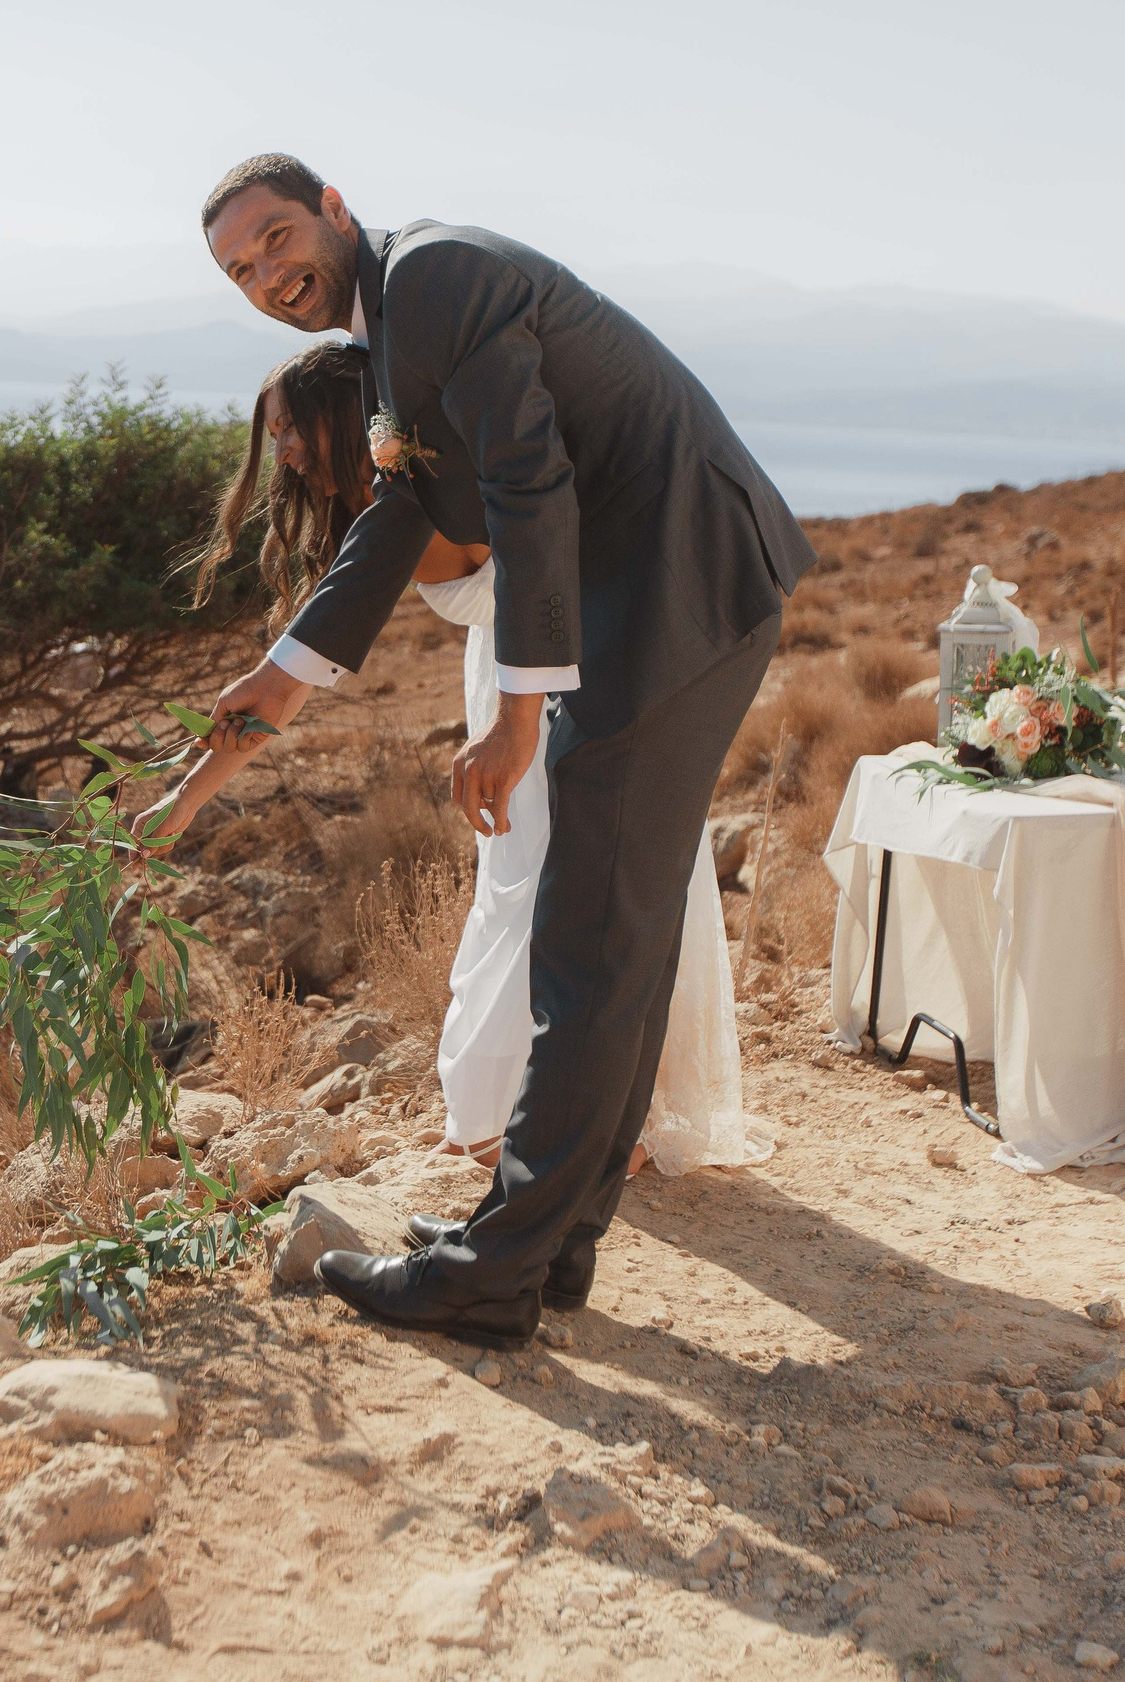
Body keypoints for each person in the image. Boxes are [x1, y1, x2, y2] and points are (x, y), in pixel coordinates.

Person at [187, 154, 812, 1351]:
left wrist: (514, 714)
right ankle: (547, 1243)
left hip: (673, 588)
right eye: (239, 270)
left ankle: (494, 1271)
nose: (267, 275)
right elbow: (404, 511)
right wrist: (284, 672)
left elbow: (529, 484)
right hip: (650, 600)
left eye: (274, 239)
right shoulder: (391, 339)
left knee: (587, 941)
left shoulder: (435, 278)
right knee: (608, 938)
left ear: (334, 209)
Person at [158, 346, 770, 1183]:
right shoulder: (398, 496)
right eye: (273, 436)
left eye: (291, 429)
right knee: (521, 886)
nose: (283, 452)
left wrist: (184, 803)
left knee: (566, 893)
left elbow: (284, 683)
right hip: (508, 676)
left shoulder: (417, 499)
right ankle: (516, 1114)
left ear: (345, 419)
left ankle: (590, 1121)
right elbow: (298, 664)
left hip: (567, 681)